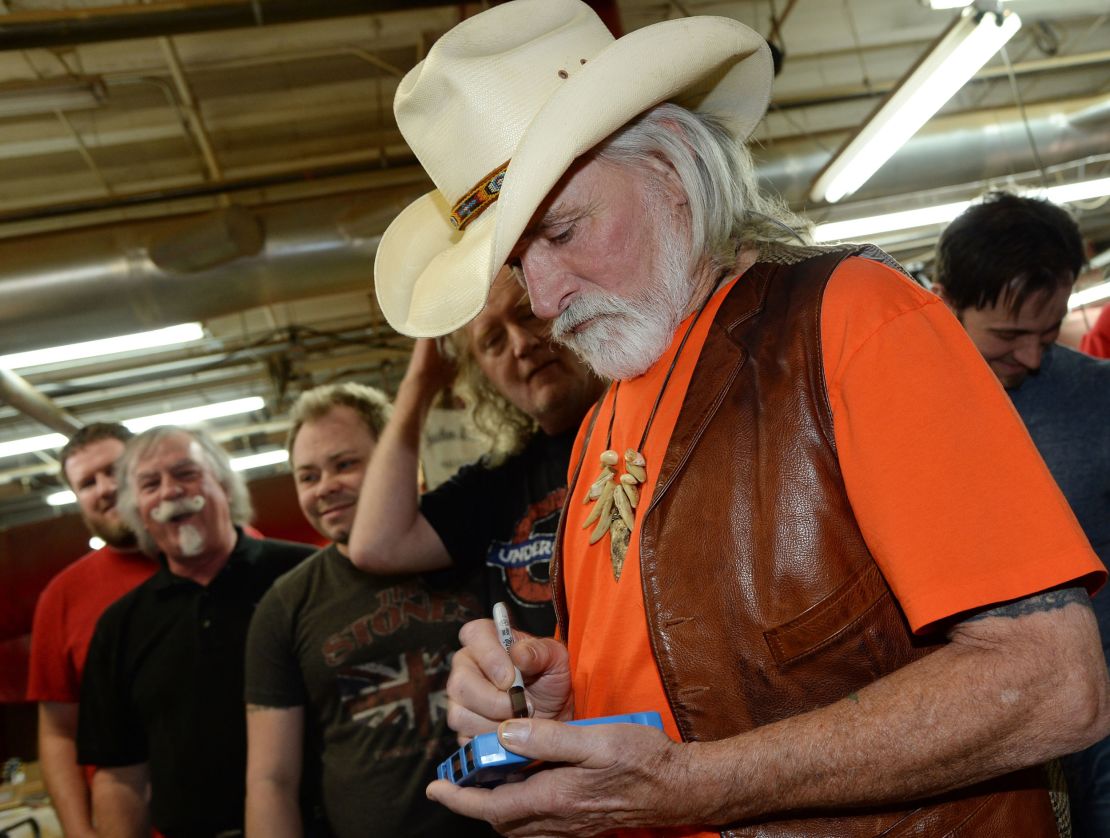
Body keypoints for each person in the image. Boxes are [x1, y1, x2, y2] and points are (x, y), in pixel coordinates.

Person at [367, 1, 1110, 835]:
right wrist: (554, 699)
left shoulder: (853, 320)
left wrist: (699, 784)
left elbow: (1050, 683)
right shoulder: (599, 429)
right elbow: (689, 678)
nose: (542, 299)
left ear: (674, 170)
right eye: (516, 262)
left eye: (564, 230)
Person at [933, 192, 1110, 836]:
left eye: (1048, 329)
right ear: (945, 298)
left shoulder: (1099, 400)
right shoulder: (904, 412)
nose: (1033, 358)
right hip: (976, 729)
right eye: (1008, 336)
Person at [243, 382, 490, 837]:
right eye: (308, 476)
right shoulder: (286, 604)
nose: (325, 488)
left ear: (396, 462)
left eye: (345, 464)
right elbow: (270, 780)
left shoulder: (475, 553)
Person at [77, 425, 313, 838]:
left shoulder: (304, 578)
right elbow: (118, 775)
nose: (170, 492)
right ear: (138, 513)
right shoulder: (119, 628)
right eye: (150, 484)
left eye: (186, 473)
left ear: (223, 484)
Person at [349, 268, 603, 637]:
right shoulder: (499, 482)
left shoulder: (651, 417)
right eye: (493, 341)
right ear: (483, 376)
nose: (521, 344)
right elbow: (377, 545)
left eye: (528, 314)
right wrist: (420, 382)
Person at [26, 423, 156, 838]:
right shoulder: (61, 597)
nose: (104, 488)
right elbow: (58, 731)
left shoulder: (217, 556)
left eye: (113, 470)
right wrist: (79, 831)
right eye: (87, 482)